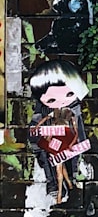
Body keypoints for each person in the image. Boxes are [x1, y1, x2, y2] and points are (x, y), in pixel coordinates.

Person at [27, 60, 91, 204]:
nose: (61, 101)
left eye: (69, 94)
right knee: (54, 165)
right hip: (53, 143)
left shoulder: (73, 111)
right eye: (51, 99)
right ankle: (57, 186)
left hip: (66, 142)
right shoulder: (44, 112)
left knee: (66, 164)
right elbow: (36, 131)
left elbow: (78, 130)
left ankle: (68, 183)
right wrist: (39, 134)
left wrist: (76, 143)